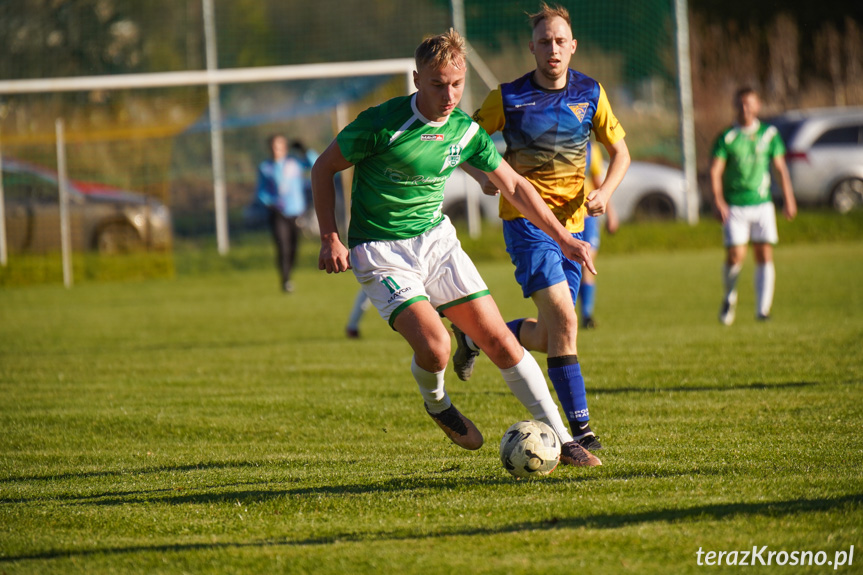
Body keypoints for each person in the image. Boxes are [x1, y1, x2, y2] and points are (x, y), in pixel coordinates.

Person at [313, 28, 602, 466]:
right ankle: (437, 402)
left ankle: (564, 440)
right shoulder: (381, 123)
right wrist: (330, 236)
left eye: (456, 84)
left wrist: (565, 238)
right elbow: (322, 168)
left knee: (501, 343)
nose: (449, 95)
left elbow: (516, 187)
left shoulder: (465, 130)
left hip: (437, 242)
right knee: (435, 348)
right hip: (381, 249)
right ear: (416, 79)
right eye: (437, 84)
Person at [455, 2, 630, 454]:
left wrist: (606, 193)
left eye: (560, 42)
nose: (553, 49)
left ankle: (476, 336)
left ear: (573, 47)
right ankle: (580, 430)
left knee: (553, 335)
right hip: (527, 226)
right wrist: (482, 178)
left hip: (574, 231)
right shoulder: (508, 97)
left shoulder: (591, 92)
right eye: (544, 42)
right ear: (531, 47)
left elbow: (621, 153)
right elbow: (463, 141)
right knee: (567, 320)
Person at [710, 87, 796, 325]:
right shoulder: (727, 137)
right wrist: (718, 200)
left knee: (764, 254)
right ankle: (729, 297)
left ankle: (762, 310)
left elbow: (780, 168)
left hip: (762, 204)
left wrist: (789, 198)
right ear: (735, 106)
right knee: (736, 255)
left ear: (758, 106)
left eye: (749, 103)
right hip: (735, 206)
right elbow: (715, 171)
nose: (745, 108)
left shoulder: (769, 134)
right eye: (740, 104)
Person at [256, 134, 307, 293]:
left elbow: (315, 162)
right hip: (278, 213)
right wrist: (269, 203)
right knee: (282, 246)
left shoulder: (294, 163)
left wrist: (305, 150)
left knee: (294, 248)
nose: (275, 150)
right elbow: (261, 191)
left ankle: (289, 273)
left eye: (278, 146)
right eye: (273, 146)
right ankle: (285, 280)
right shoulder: (266, 167)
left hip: (296, 212)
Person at [578, 140, 619, 329]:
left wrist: (610, 213)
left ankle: (587, 315)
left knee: (587, 263)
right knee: (574, 265)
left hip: (587, 217)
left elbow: (597, 182)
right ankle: (571, 311)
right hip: (565, 218)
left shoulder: (590, 149)